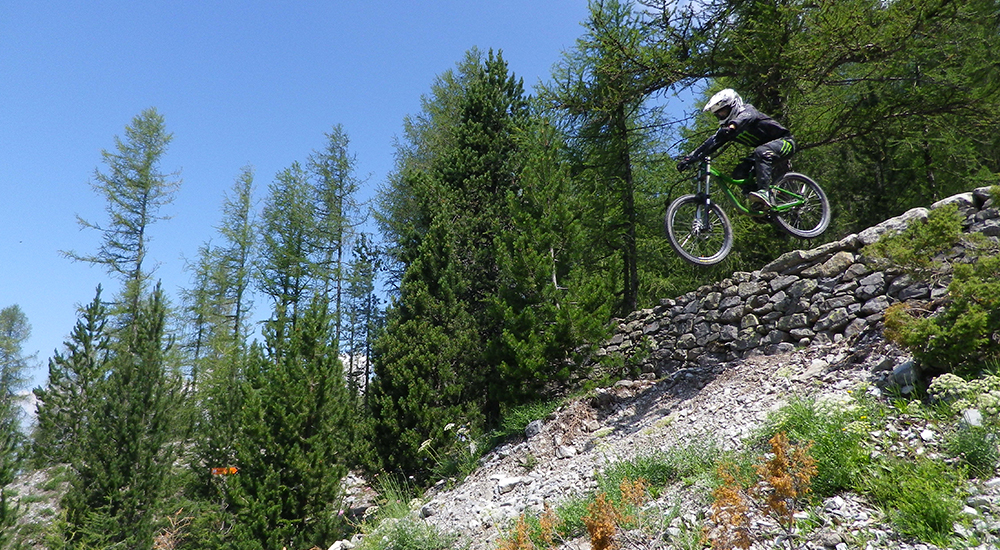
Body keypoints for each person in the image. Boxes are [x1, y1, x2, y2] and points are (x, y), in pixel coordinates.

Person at [677, 89, 796, 209]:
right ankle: (763, 204)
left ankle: (764, 193)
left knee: (760, 151)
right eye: (718, 113)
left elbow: (746, 117)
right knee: (739, 172)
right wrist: (690, 157)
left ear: (733, 105)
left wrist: (733, 126)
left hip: (785, 142)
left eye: (723, 111)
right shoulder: (728, 129)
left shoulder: (747, 110)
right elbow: (710, 143)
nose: (721, 115)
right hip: (765, 153)